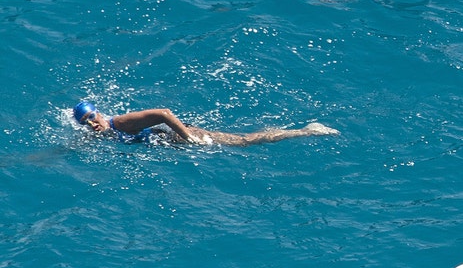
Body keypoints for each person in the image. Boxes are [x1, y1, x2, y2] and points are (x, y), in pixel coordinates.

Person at [71, 101, 339, 147]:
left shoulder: (120, 123)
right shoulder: (99, 135)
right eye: (86, 123)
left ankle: (306, 131)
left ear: (100, 113)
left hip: (182, 139)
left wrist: (188, 137)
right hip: (173, 144)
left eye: (92, 118)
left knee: (245, 141)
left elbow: (164, 113)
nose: (92, 124)